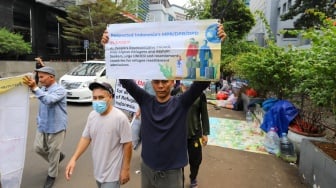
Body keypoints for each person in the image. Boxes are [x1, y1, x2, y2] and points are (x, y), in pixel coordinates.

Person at [101, 23, 226, 188]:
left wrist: (215, 45)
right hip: (147, 169)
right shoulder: (145, 101)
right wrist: (108, 46)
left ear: (172, 81)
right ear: (151, 83)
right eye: (156, 81)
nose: (160, 85)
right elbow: (125, 80)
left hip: (172, 173)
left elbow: (201, 83)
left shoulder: (181, 103)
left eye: (164, 81)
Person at [65, 82, 132, 188]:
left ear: (110, 97)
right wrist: (74, 158)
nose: (97, 101)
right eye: (94, 98)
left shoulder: (120, 118)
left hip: (112, 174)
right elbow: (86, 138)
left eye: (101, 97)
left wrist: (125, 169)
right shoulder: (92, 115)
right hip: (98, 171)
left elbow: (127, 144)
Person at [22, 66, 67, 188]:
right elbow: (40, 98)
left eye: (42, 77)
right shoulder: (42, 89)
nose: (39, 79)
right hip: (42, 125)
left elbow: (48, 100)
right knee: (38, 148)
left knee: (53, 152)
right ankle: (58, 158)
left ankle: (52, 175)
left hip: (56, 127)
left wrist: (35, 88)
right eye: (39, 77)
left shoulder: (60, 90)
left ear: (51, 77)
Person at [171, 80, 210, 188]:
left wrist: (205, 133)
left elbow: (204, 114)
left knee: (196, 159)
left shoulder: (200, 94)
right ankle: (180, 180)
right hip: (178, 133)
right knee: (178, 160)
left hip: (195, 132)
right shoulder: (175, 92)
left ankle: (193, 177)